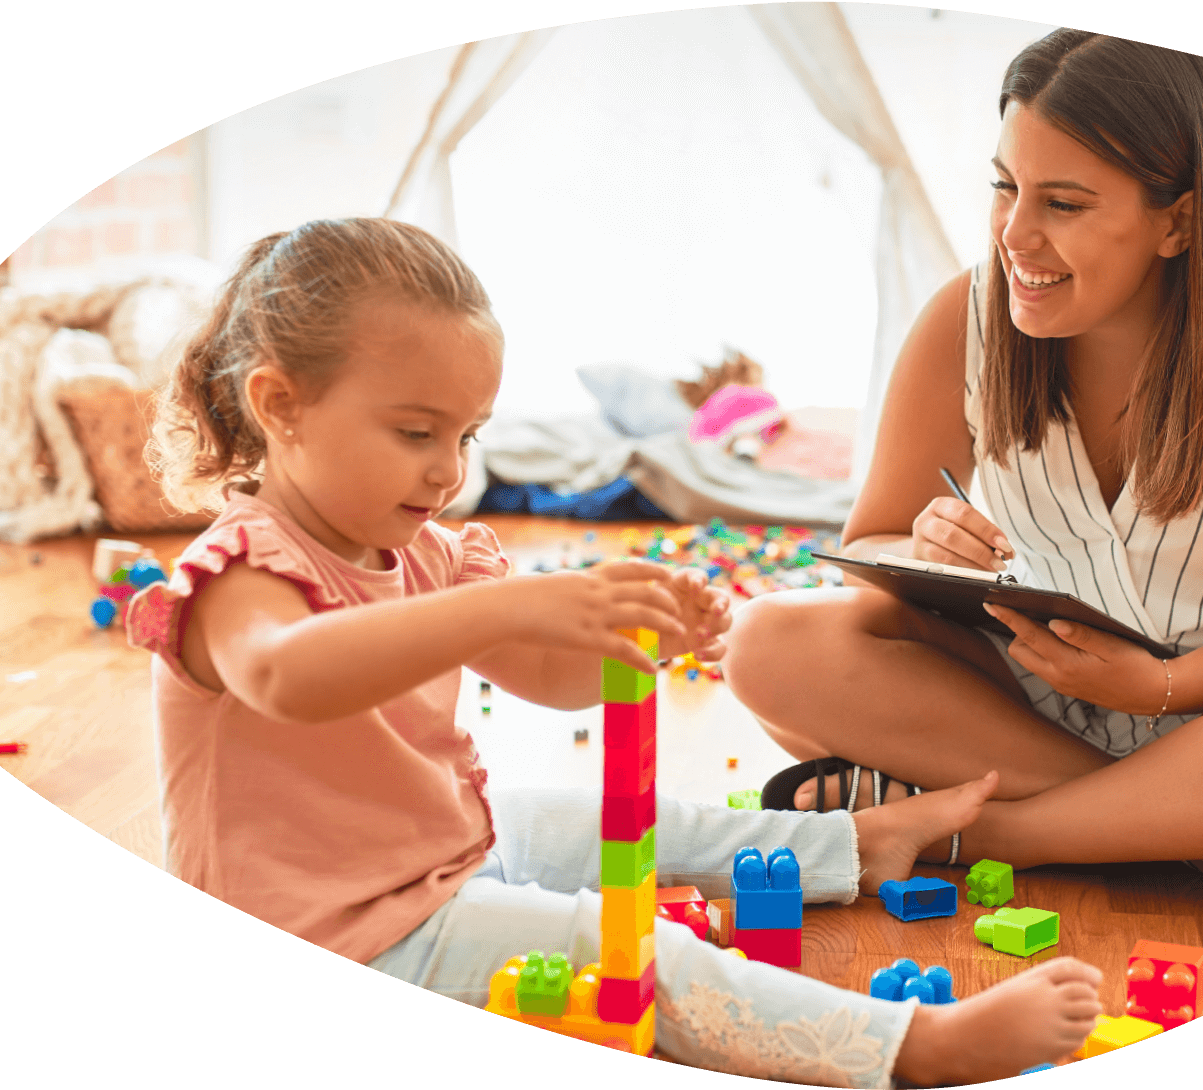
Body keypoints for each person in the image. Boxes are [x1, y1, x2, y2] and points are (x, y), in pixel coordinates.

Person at [126, 217, 1105, 1087]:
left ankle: (852, 845)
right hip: (346, 932)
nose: (448, 471)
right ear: (280, 405)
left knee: (611, 823)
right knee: (633, 952)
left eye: (466, 435)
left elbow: (553, 681)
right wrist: (514, 601)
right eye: (416, 432)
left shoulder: (421, 552)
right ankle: (910, 1046)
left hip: (428, 864)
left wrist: (641, 639)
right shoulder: (235, 573)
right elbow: (288, 675)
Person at [723, 32, 1203, 908]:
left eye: (1064, 203)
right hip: (1018, 708)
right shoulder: (964, 317)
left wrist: (1163, 687)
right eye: (1005, 187)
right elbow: (872, 551)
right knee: (767, 643)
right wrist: (922, 547)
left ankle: (983, 832)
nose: (1015, 234)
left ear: (1179, 220)